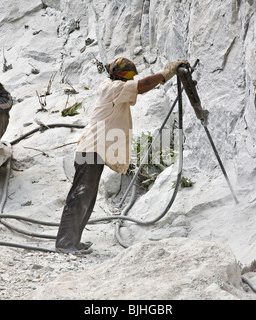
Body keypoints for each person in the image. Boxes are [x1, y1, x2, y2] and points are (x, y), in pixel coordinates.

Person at [55, 57, 187, 254]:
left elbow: (139, 86)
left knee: (87, 197)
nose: (131, 79)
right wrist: (167, 72)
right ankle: (65, 243)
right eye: (129, 75)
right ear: (119, 75)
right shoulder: (114, 87)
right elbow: (143, 86)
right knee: (80, 195)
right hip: (89, 150)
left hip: (94, 151)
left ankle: (73, 240)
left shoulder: (113, 87)